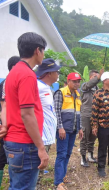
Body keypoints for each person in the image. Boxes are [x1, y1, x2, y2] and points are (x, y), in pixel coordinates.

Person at [1, 32, 49, 190]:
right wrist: (41, 148)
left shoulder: (13, 73)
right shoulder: (27, 75)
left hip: (14, 141)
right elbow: (27, 114)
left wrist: (6, 125)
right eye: (43, 51)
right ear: (37, 50)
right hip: (24, 143)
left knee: (16, 186)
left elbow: (7, 105)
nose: (43, 55)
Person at [54, 72, 84, 189]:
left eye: (78, 81)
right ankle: (58, 182)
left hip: (73, 130)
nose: (77, 84)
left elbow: (78, 113)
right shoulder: (60, 93)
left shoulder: (77, 94)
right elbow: (56, 112)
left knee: (67, 154)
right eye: (74, 81)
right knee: (61, 154)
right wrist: (60, 127)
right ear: (69, 81)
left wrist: (80, 128)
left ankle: (62, 176)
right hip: (63, 130)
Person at [35, 58, 61, 178]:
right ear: (49, 73)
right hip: (40, 137)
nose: (58, 74)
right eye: (57, 71)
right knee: (35, 170)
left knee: (40, 169)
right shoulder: (37, 86)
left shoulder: (46, 88)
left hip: (47, 135)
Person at [0, 56, 20, 187]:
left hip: (8, 126)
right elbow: (4, 106)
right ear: (13, 67)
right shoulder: (8, 83)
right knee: (4, 158)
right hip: (5, 127)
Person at [80, 68, 104, 167]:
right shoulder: (85, 86)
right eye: (95, 77)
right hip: (86, 115)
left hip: (95, 116)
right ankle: (83, 157)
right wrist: (98, 78)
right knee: (84, 136)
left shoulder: (98, 89)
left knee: (93, 136)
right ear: (90, 77)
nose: (97, 79)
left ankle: (90, 155)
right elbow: (89, 84)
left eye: (98, 77)